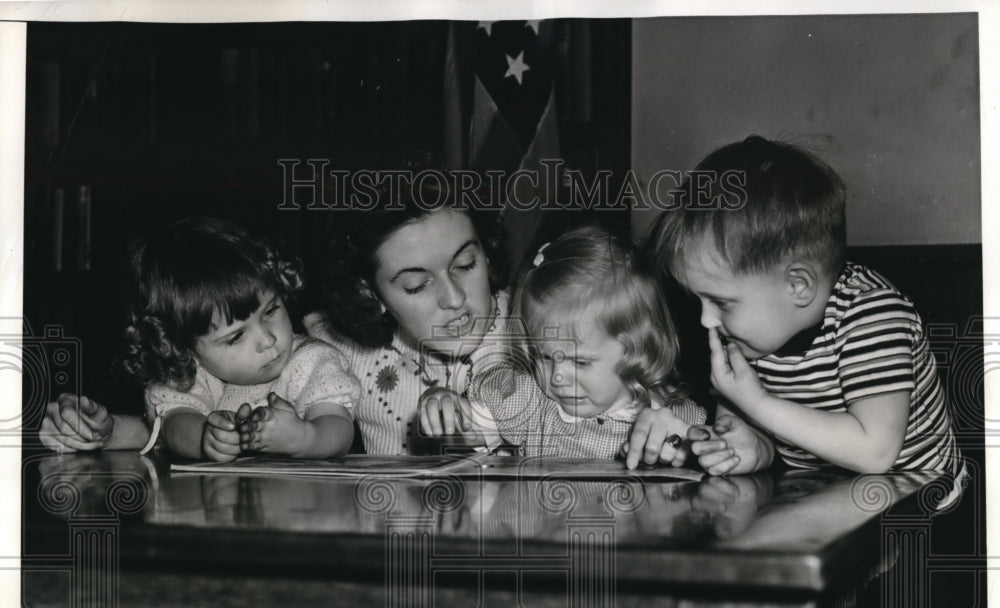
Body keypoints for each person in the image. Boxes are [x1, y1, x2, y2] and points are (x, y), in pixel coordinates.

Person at [648, 135, 985, 608]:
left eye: (718, 301)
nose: (704, 321)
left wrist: (754, 402)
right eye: (697, 300)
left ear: (799, 287)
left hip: (932, 525)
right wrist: (752, 440)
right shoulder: (760, 330)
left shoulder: (872, 316)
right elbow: (795, 431)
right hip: (852, 530)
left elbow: (874, 451)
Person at [41, 218, 360, 461]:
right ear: (183, 348)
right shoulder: (192, 373)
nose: (267, 340)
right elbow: (175, 424)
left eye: (271, 310)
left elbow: (337, 427)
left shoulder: (313, 361)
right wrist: (206, 435)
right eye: (235, 337)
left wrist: (305, 438)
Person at [419, 224, 706, 464]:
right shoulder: (529, 402)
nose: (556, 376)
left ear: (638, 350)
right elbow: (467, 432)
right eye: (544, 357)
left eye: (580, 362)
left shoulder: (671, 418)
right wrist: (447, 410)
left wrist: (687, 448)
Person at [303, 179, 510, 455]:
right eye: (417, 284)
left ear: (486, 253)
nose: (454, 298)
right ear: (369, 293)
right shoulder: (340, 350)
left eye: (465, 264)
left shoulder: (537, 322)